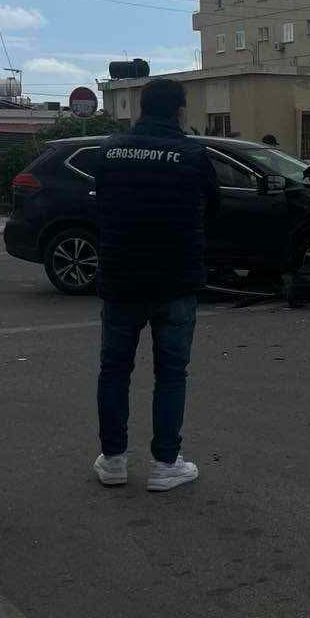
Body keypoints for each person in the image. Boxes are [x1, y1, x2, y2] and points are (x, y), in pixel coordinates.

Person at [91, 79, 219, 491]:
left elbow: (101, 205)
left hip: (121, 276)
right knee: (170, 372)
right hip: (175, 278)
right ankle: (165, 464)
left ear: (141, 109)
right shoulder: (193, 154)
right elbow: (214, 207)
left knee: (114, 370)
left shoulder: (109, 151)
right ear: (179, 110)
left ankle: (113, 461)